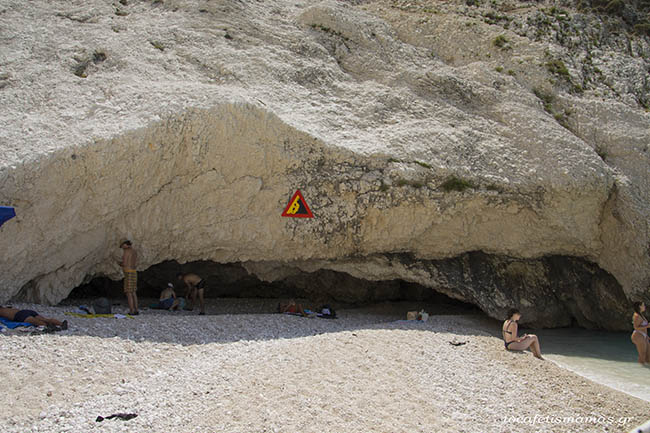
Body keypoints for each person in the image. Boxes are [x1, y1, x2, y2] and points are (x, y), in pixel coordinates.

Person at [117, 240, 139, 315]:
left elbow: (125, 263)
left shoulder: (126, 251)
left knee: (128, 292)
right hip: (134, 272)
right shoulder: (134, 251)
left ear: (126, 245)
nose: (122, 247)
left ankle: (131, 310)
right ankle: (136, 309)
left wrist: (119, 263)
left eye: (123, 245)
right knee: (133, 292)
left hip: (128, 272)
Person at [0, 306, 68, 330]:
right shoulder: (5, 308)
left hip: (19, 315)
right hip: (26, 311)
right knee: (45, 319)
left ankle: (48, 327)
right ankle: (61, 324)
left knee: (36, 322)